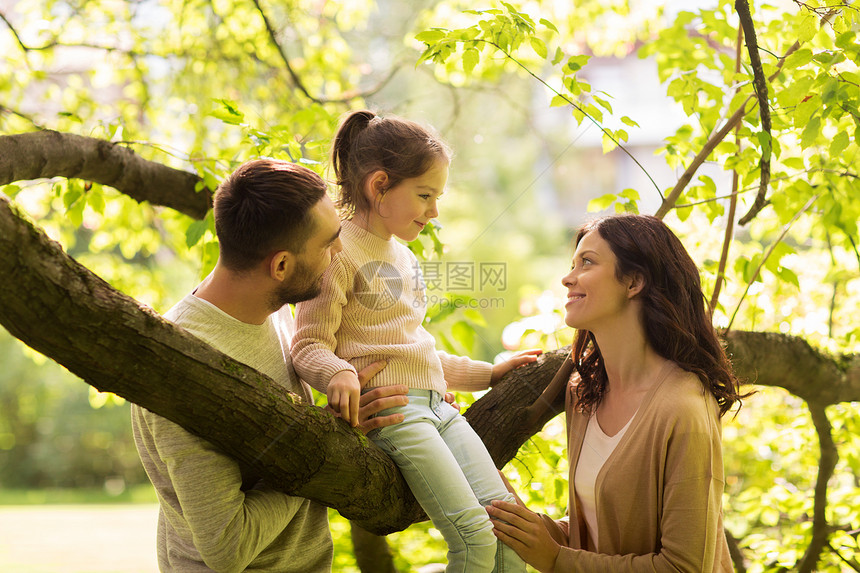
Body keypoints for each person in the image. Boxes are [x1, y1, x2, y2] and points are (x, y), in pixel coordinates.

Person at [131, 158, 411, 572]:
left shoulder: (275, 308)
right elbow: (228, 547)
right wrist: (322, 447)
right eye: (329, 242)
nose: (340, 251)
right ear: (280, 265)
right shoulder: (182, 367)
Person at [290, 110, 539, 573]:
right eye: (425, 195)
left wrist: (487, 373)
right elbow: (307, 346)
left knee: (508, 534)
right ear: (379, 186)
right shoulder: (338, 252)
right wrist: (339, 373)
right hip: (396, 414)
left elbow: (415, 351)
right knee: (475, 537)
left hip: (440, 410)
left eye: (438, 197)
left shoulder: (403, 256)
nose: (434, 211)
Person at [486, 213, 744, 571]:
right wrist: (520, 519)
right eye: (572, 263)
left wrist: (557, 559)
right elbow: (591, 536)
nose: (567, 277)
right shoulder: (583, 393)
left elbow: (683, 567)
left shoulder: (683, 409)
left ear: (634, 281)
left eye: (587, 262)